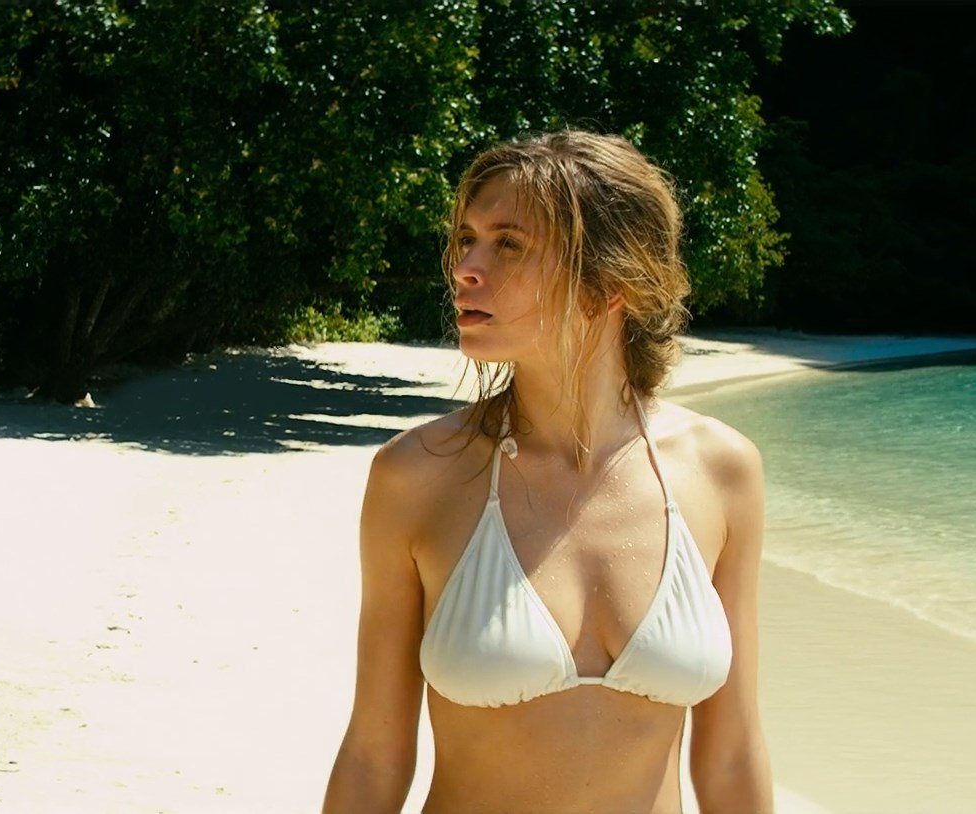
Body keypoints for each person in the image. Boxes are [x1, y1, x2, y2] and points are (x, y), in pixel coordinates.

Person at [323, 131, 770, 813]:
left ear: (612, 281)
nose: (466, 269)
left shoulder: (720, 471)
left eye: (508, 244)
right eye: (466, 240)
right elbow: (373, 755)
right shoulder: (417, 476)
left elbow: (732, 755)